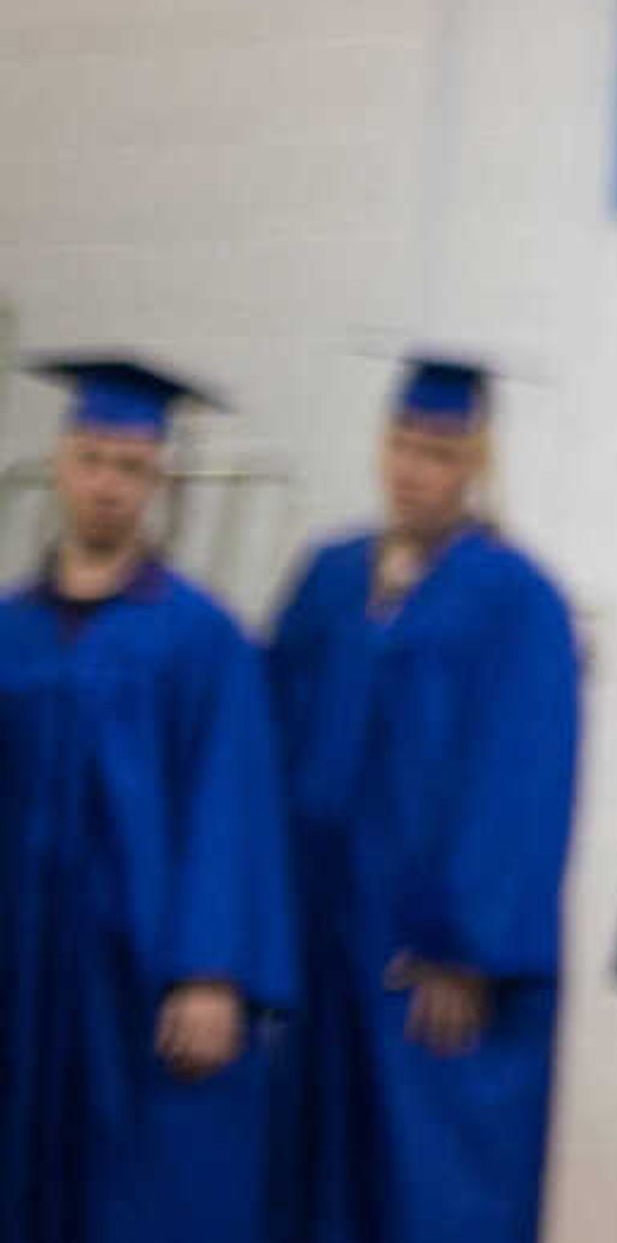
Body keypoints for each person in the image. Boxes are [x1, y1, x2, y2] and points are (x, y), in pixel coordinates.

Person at [266, 354, 582, 1243]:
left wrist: (465, 946)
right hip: (324, 947)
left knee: (432, 1191)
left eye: (440, 449)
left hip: (431, 964)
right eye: (403, 445)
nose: (416, 469)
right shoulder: (328, 578)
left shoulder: (520, 599)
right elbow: (270, 749)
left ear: (478, 461)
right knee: (314, 1180)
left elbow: (524, 783)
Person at [0, 354, 298, 1241]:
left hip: (137, 984)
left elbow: (231, 815)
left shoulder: (203, 638)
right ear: (60, 462)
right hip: (22, 973)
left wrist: (210, 973)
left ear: (157, 480)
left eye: (129, 468)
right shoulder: (10, 631)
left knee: (143, 1194)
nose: (106, 486)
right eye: (91, 459)